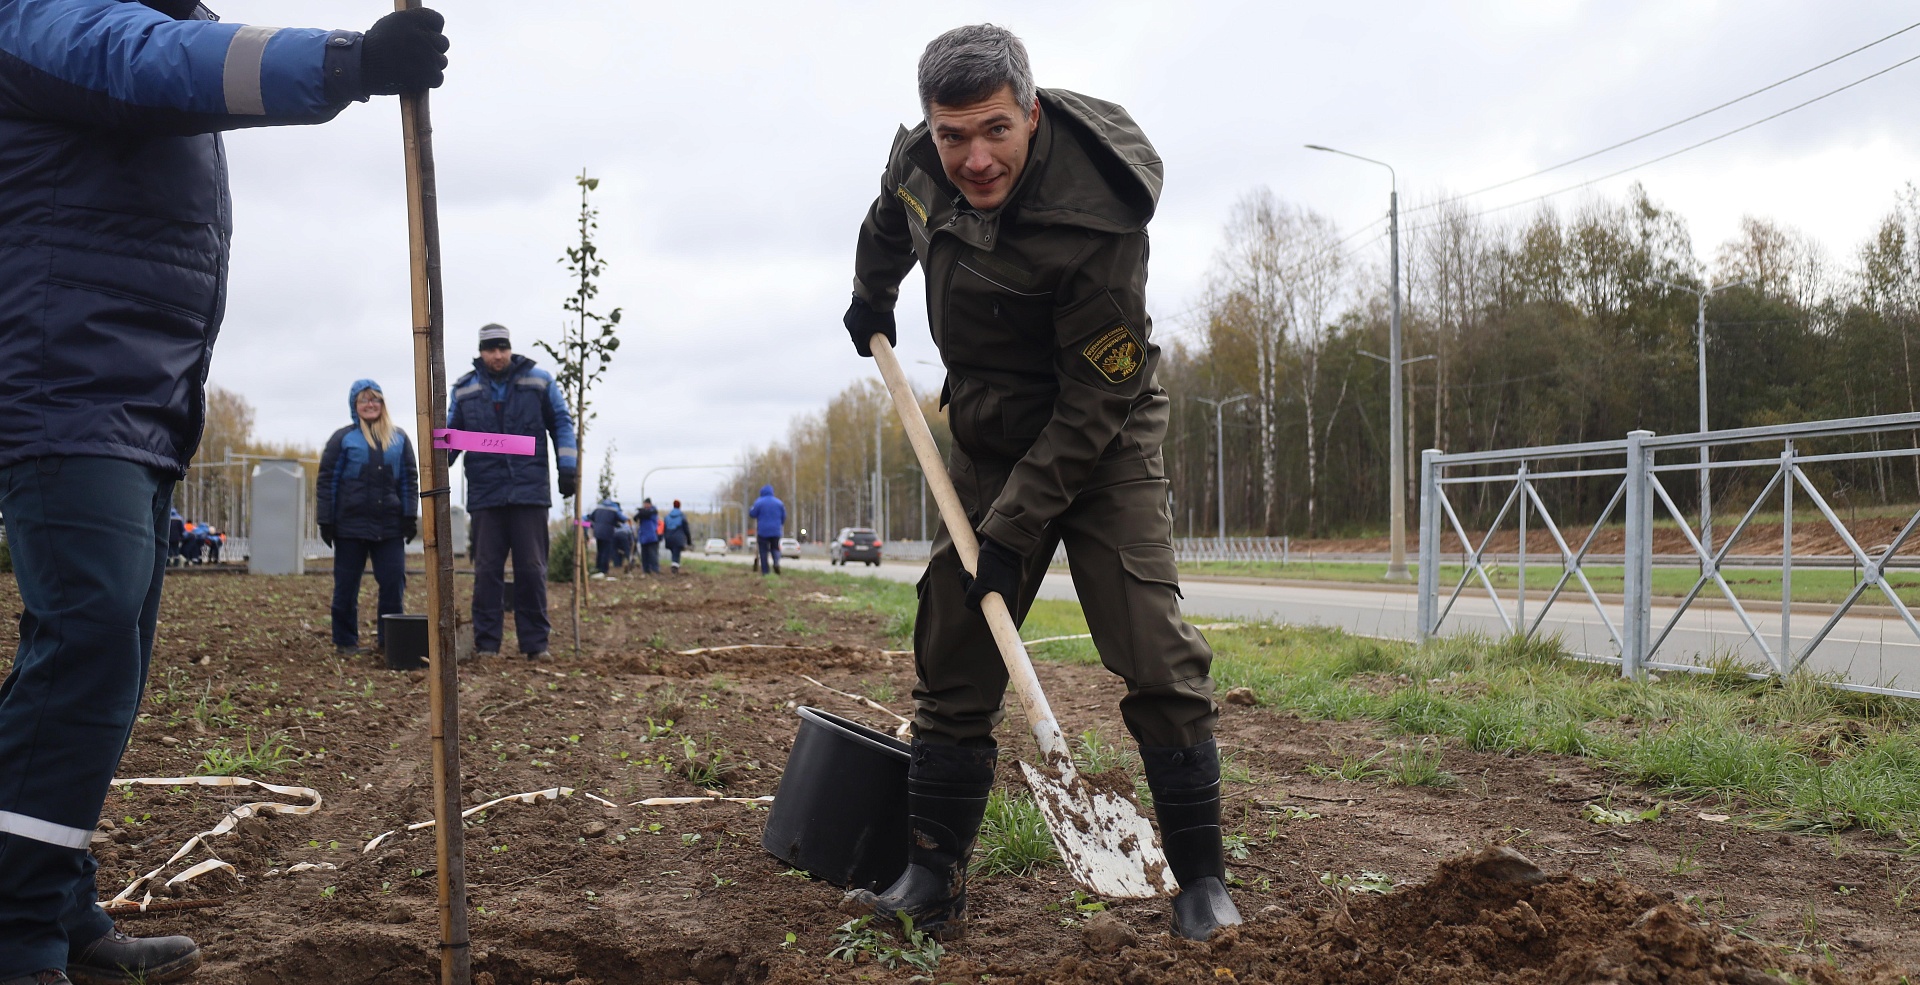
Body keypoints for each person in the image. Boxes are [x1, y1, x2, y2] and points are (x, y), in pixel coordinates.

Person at [0, 3, 448, 983]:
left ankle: (58, 908)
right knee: (87, 640)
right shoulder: (44, 21)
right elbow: (150, 62)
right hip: (61, 391)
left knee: (106, 659)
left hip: (135, 405)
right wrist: (349, 62)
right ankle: (14, 932)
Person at [838, 25, 1238, 943]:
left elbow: (1098, 394)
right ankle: (930, 877)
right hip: (984, 429)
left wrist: (1014, 530)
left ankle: (1203, 882)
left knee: (1153, 644)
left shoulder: (1100, 213)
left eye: (994, 132)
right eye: (953, 136)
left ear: (1032, 111)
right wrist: (874, 292)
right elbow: (886, 218)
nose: (974, 159)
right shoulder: (922, 162)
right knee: (955, 637)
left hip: (1101, 432)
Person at [447, 324, 576, 661]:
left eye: (502, 348)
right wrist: (435, 462)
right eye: (491, 349)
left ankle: (536, 644)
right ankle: (486, 643)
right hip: (486, 494)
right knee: (487, 570)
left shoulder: (539, 380)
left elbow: (561, 422)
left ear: (510, 348)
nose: (498, 355)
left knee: (532, 569)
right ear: (481, 352)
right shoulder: (463, 390)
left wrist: (568, 467)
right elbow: (450, 435)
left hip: (529, 492)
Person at [317, 380, 419, 656]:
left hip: (390, 527)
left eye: (375, 400)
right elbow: (327, 481)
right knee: (347, 587)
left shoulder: (399, 439)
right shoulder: (343, 439)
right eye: (364, 400)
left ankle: (390, 641)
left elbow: (410, 479)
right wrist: (326, 520)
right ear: (355, 406)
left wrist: (410, 516)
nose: (370, 405)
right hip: (350, 527)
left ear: (383, 404)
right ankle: (345, 642)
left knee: (393, 583)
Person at [748, 485, 785, 575]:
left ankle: (766, 571)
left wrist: (751, 508)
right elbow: (783, 517)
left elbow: (752, 514)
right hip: (776, 530)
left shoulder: (759, 502)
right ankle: (776, 562)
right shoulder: (779, 503)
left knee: (763, 551)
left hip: (763, 531)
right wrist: (779, 524)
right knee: (775, 548)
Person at [588, 496, 627, 580]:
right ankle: (603, 570)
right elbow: (623, 519)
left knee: (600, 550)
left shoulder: (597, 509)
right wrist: (627, 520)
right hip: (608, 533)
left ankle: (598, 567)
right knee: (606, 552)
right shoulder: (613, 510)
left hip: (597, 532)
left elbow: (590, 518)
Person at [662, 500, 694, 574]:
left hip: (669, 538)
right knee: (676, 552)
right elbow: (686, 529)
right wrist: (689, 541)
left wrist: (665, 537)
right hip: (678, 538)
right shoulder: (682, 516)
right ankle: (675, 567)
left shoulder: (667, 517)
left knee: (674, 552)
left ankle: (674, 564)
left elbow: (664, 528)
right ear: (680, 506)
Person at [633, 498, 661, 575]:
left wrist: (640, 512)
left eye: (646, 504)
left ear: (649, 504)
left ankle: (655, 569)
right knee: (644, 555)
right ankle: (646, 570)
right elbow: (635, 517)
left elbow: (646, 514)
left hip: (651, 536)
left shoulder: (653, 511)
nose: (645, 506)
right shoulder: (643, 513)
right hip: (643, 537)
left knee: (653, 554)